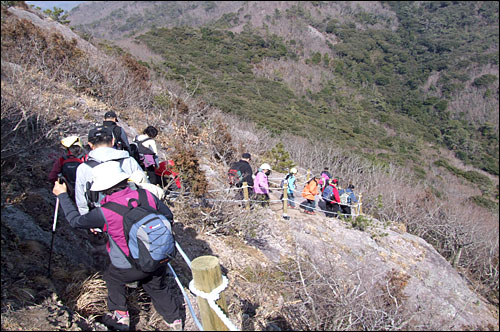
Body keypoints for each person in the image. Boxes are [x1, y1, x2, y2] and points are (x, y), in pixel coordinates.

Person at [52, 161, 183, 331]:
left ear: (102, 188)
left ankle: (121, 316)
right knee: (157, 285)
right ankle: (174, 320)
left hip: (128, 267)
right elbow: (168, 215)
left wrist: (62, 195)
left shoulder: (104, 212)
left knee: (112, 276)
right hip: (157, 257)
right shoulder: (146, 195)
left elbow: (75, 221)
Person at [75, 126, 147, 216]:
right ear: (113, 141)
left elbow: (81, 198)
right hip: (134, 214)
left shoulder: (83, 168)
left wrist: (87, 219)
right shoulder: (129, 161)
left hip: (102, 218)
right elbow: (144, 186)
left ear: (90, 145)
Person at [48, 136, 87, 200]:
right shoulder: (85, 159)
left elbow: (52, 177)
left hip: (67, 194)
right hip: (84, 194)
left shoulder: (62, 160)